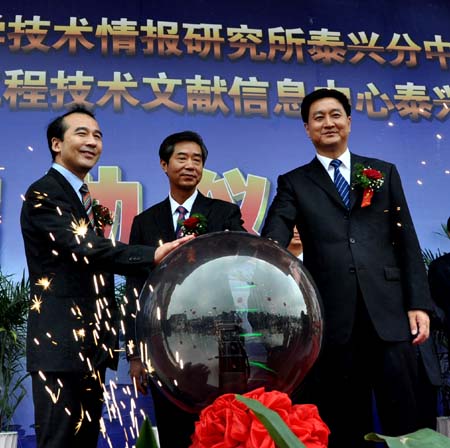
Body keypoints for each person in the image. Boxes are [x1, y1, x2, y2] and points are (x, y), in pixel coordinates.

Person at [261, 88, 433, 447]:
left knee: (404, 418)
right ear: (307, 129)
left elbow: (406, 241)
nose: (328, 123)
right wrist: (265, 253)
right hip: (334, 319)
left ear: (349, 122)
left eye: (335, 115)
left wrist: (418, 303)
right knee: (344, 420)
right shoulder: (294, 182)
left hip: (389, 314)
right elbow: (276, 230)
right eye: (318, 117)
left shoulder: (383, 172)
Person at [20, 106, 192, 448]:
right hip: (61, 347)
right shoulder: (45, 193)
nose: (92, 142)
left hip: (89, 349)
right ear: (56, 143)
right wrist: (152, 255)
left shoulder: (80, 196)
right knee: (59, 442)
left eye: (97, 136)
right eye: (81, 133)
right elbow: (84, 247)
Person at [124, 130, 246, 448]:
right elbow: (135, 288)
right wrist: (135, 354)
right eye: (182, 158)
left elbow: (242, 263)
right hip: (165, 345)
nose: (191, 165)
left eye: (197, 159)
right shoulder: (145, 222)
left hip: (220, 344)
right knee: (174, 431)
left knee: (223, 431)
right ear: (164, 164)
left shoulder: (224, 213)